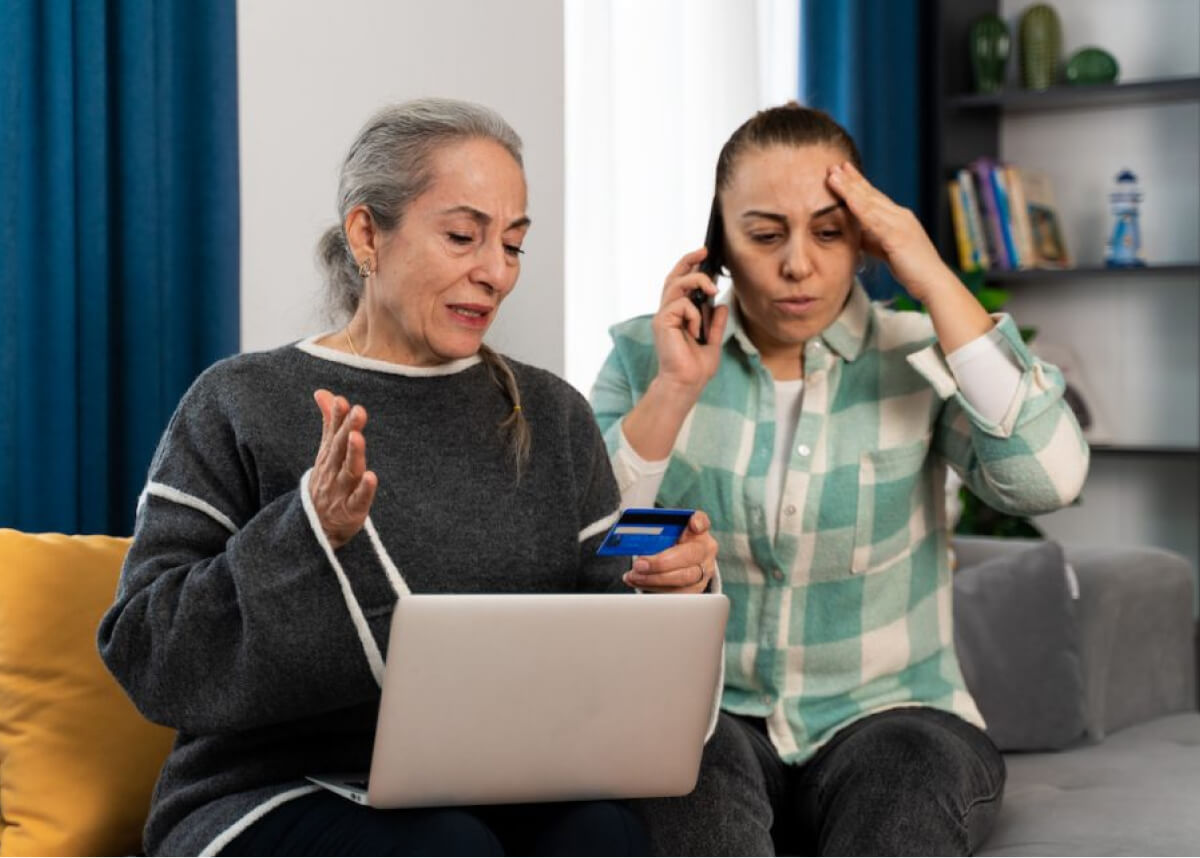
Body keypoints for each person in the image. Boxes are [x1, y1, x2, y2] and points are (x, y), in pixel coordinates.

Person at [98, 98, 718, 857]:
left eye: (514, 245)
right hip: (267, 791)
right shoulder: (238, 401)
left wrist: (671, 589)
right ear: (367, 234)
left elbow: (604, 632)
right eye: (463, 236)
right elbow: (147, 652)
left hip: (502, 787)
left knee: (605, 834)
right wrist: (306, 535)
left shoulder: (551, 414)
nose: (495, 272)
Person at [591, 103, 1089, 855]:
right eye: (764, 234)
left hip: (897, 714)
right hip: (711, 711)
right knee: (688, 774)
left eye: (829, 232)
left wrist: (930, 275)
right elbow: (585, 550)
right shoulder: (645, 357)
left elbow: (1050, 477)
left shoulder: (924, 353)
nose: (798, 264)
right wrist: (672, 393)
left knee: (903, 781)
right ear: (717, 243)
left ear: (864, 239)